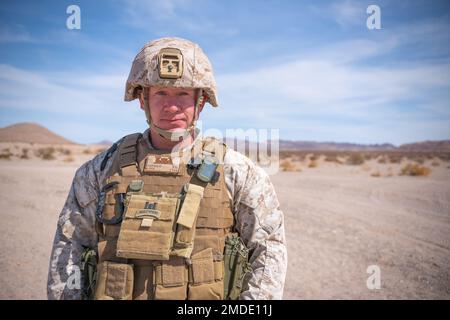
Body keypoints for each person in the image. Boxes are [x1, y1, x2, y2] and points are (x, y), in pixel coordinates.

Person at [47, 37, 287, 300]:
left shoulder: (236, 171)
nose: (171, 107)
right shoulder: (100, 170)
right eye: (160, 92)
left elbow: (268, 248)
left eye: (183, 94)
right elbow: (70, 248)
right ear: (142, 99)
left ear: (201, 102)